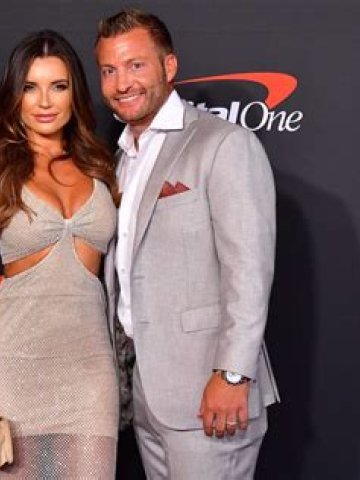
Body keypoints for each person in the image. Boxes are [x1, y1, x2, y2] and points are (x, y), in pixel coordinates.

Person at [96, 9, 280, 479]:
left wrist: (233, 374)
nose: (122, 83)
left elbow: (249, 271)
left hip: (210, 392)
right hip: (145, 391)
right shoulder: (120, 158)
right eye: (109, 70)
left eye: (136, 65)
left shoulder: (223, 144)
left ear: (169, 66)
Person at [0, 30, 119, 479]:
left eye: (58, 86)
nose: (44, 101)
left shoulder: (101, 165)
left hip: (89, 366)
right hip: (14, 359)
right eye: (30, 87)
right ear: (14, 95)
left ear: (74, 92)